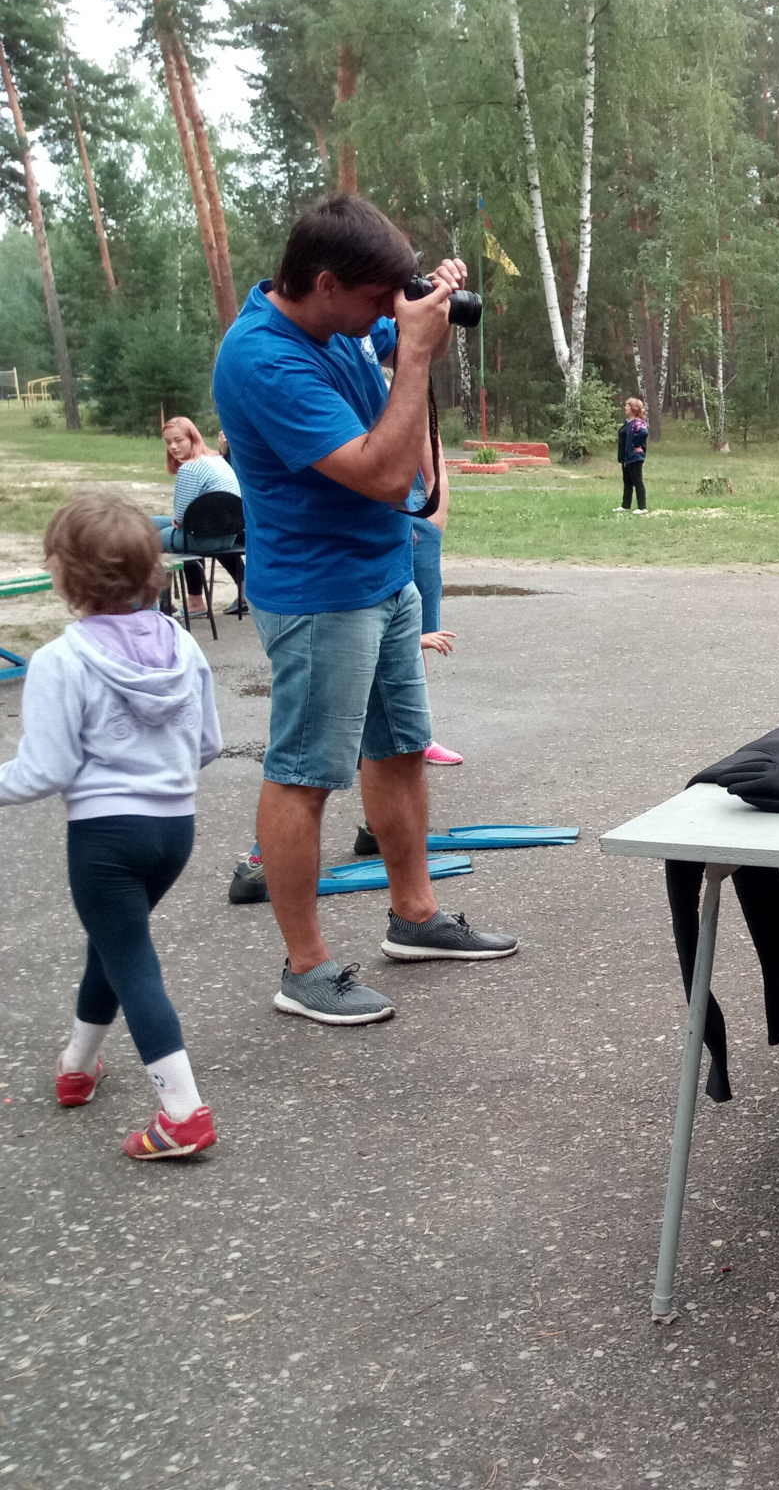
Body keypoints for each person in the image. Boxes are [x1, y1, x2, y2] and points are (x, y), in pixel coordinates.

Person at [211, 192, 517, 1028]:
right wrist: (413, 353)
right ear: (324, 283)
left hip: (382, 578)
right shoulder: (263, 360)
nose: (387, 313)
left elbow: (404, 338)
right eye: (377, 298)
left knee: (400, 749)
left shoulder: (335, 322)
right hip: (320, 597)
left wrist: (427, 311)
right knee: (306, 775)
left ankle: (414, 917)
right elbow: (385, 475)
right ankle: (304, 967)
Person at [0, 493, 222, 1158]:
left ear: (64, 574)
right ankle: (77, 1064)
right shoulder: (182, 643)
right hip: (174, 830)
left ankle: (183, 1113)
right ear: (153, 568)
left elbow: (45, 769)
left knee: (130, 956)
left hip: (104, 838)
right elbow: (208, 744)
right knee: (115, 942)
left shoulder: (61, 659)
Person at [154, 415, 247, 617]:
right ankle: (241, 591)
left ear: (193, 438)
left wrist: (180, 521)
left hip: (204, 538)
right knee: (149, 523)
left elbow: (180, 518)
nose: (173, 447)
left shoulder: (190, 468)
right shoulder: (217, 460)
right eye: (168, 442)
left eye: (178, 440)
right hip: (230, 535)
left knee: (147, 538)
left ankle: (166, 603)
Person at [408, 461, 460, 766]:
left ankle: (418, 735)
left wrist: (433, 521)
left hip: (417, 517)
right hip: (373, 516)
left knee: (422, 632)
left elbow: (433, 462)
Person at [617, 396, 650, 512]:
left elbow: (644, 432)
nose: (625, 407)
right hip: (626, 457)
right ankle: (625, 505)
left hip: (635, 457)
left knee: (637, 481)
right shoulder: (628, 422)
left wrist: (637, 445)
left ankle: (642, 507)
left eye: (627, 406)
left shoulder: (637, 422)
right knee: (627, 482)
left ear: (633, 408)